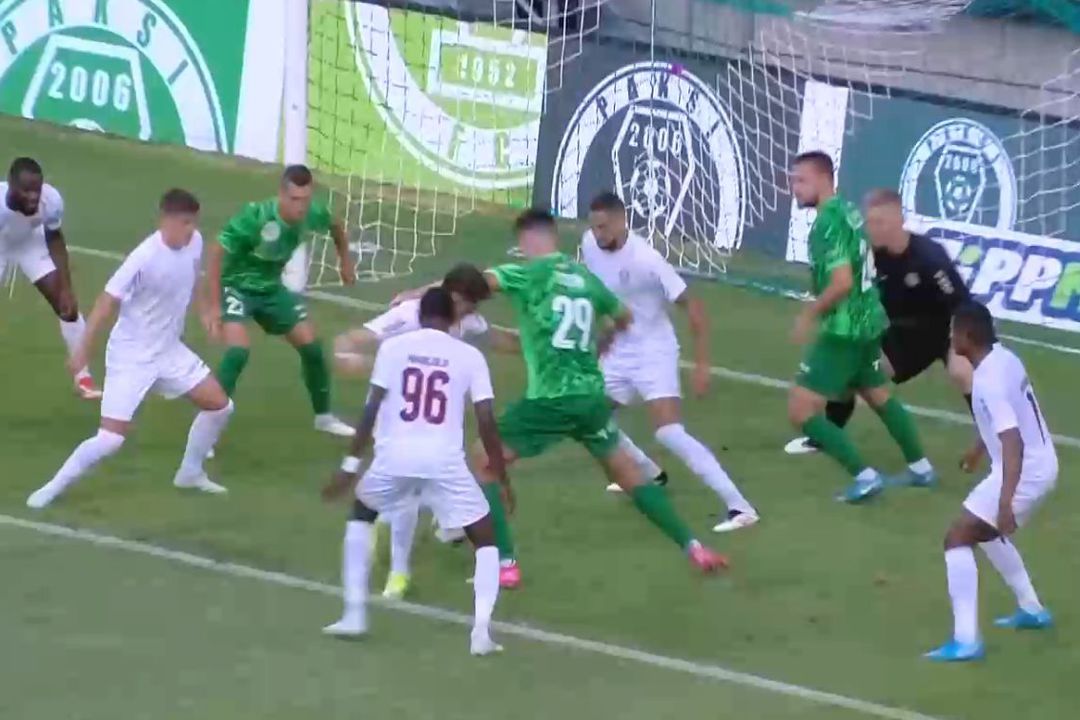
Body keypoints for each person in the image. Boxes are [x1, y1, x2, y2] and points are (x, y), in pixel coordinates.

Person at [471, 208, 728, 588]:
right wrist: (598, 345)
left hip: (551, 399)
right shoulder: (584, 278)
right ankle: (694, 547)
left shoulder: (527, 273)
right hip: (591, 397)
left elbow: (472, 283)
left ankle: (505, 563)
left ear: (527, 241)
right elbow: (623, 316)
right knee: (630, 475)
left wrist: (420, 295)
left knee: (482, 460)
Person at [321, 287, 506, 656]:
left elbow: (371, 410)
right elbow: (486, 419)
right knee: (485, 539)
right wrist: (501, 472)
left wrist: (349, 466)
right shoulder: (469, 356)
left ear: (420, 316)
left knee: (361, 515)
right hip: (444, 461)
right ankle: (481, 634)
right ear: (453, 319)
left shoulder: (393, 348)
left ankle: (354, 615)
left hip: (395, 457)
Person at [27, 189, 233, 509]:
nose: (191, 229)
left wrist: (205, 311)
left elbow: (194, 279)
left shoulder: (194, 243)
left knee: (220, 406)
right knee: (111, 439)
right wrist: (82, 351)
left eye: (193, 222)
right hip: (132, 355)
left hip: (169, 351)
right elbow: (105, 303)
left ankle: (190, 473)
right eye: (184, 223)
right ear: (165, 221)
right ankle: (53, 487)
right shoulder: (144, 258)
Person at [582, 192, 758, 533]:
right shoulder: (590, 244)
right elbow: (606, 296)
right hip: (619, 348)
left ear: (622, 221)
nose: (598, 234)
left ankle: (741, 506)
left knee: (669, 432)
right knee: (592, 418)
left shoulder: (647, 260)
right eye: (594, 227)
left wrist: (703, 365)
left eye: (604, 227)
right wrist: (603, 341)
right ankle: (649, 472)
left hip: (653, 350)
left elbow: (694, 308)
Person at [784, 188, 976, 466]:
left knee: (963, 373)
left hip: (946, 331)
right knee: (851, 377)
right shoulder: (870, 255)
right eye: (869, 221)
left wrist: (958, 345)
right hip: (903, 334)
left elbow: (962, 304)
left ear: (899, 221)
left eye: (879, 222)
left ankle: (994, 442)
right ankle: (826, 438)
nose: (871, 228)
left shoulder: (929, 257)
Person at [786, 152, 936, 503]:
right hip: (869, 320)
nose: (795, 188)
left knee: (801, 410)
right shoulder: (851, 212)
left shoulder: (827, 224)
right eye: (793, 181)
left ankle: (865, 477)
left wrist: (809, 314)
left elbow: (841, 283)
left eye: (801, 180)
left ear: (824, 179)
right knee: (877, 394)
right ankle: (921, 468)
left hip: (844, 329)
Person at [925, 301, 1056, 662]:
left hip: (1025, 469)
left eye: (953, 331)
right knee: (983, 532)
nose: (950, 337)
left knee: (958, 536)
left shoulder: (987, 382)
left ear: (968, 336)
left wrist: (1005, 501)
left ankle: (966, 640)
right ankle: (1031, 609)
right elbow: (1006, 420)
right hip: (1037, 462)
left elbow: (1012, 442)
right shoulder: (1004, 359)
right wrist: (977, 450)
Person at [203, 164, 354, 438]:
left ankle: (324, 417)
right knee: (238, 351)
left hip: (271, 288)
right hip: (236, 286)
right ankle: (207, 430)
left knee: (312, 348)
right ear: (282, 195)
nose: (300, 207)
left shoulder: (313, 213)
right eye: (294, 199)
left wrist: (345, 261)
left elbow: (336, 225)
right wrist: (214, 307)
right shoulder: (256, 216)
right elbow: (216, 252)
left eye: (305, 199)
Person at [1, 157, 101, 399]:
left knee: (68, 310)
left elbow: (54, 238)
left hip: (30, 243)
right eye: (26, 190)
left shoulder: (51, 200)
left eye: (37, 189)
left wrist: (66, 288)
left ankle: (83, 377)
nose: (33, 196)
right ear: (11, 185)